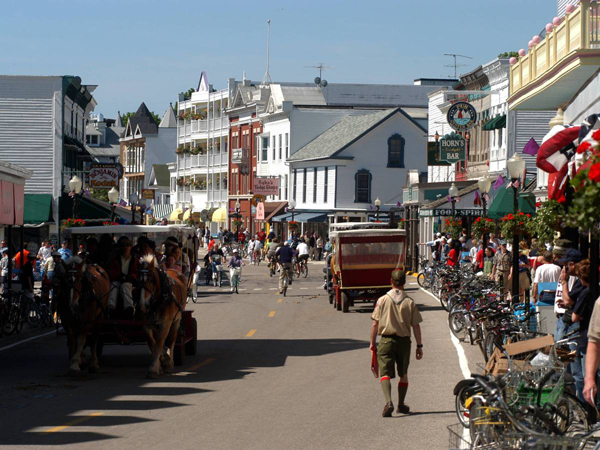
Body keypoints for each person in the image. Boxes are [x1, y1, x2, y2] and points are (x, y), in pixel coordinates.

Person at [370, 269, 423, 417]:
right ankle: (401, 404)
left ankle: (388, 401)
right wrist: (419, 346)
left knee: (385, 373)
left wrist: (372, 343)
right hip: (404, 342)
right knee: (403, 373)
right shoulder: (409, 302)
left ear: (391, 282)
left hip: (386, 340)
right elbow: (416, 326)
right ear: (404, 283)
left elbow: (375, 324)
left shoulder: (382, 300)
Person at [107, 237, 138, 318]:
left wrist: (130, 277)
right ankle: (111, 306)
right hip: (118, 280)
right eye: (123, 245)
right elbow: (112, 272)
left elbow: (136, 272)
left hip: (130, 282)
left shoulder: (135, 259)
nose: (125, 247)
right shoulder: (116, 259)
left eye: (128, 245)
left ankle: (129, 308)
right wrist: (119, 276)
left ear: (131, 247)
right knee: (114, 284)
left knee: (125, 285)